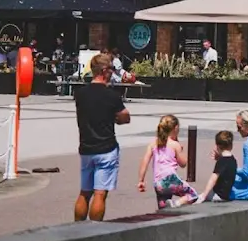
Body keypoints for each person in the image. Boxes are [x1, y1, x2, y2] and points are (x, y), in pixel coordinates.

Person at [73, 52, 130, 222]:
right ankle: (95, 230)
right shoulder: (112, 95)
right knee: (100, 193)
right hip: (106, 147)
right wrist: (115, 118)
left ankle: (77, 227)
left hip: (86, 147)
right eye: (111, 69)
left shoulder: (80, 94)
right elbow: (125, 117)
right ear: (104, 71)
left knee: (85, 192)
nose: (112, 73)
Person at [138, 114, 199, 209]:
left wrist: (141, 180)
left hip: (158, 182)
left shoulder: (153, 144)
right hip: (170, 179)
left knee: (163, 207)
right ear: (176, 128)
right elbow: (183, 164)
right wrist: (181, 151)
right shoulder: (175, 145)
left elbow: (145, 162)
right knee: (192, 195)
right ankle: (176, 203)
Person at [196, 130, 237, 203]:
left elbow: (213, 179)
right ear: (231, 145)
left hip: (218, 194)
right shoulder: (233, 160)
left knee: (195, 196)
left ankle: (178, 203)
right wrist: (219, 158)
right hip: (227, 194)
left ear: (217, 146)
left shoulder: (221, 161)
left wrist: (204, 195)